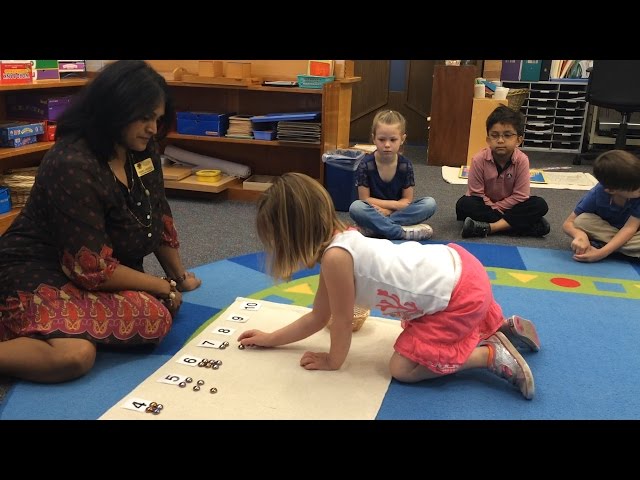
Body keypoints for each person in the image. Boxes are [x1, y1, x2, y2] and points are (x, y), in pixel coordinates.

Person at [238, 173, 541, 400]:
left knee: (402, 369)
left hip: (459, 295)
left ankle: (488, 354)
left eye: (277, 243)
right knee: (417, 335)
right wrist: (270, 339)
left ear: (294, 236)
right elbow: (318, 317)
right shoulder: (341, 242)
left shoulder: (335, 259)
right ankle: (501, 327)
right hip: (461, 269)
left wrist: (333, 361)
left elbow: (340, 322)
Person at [0, 60, 202, 384]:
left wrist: (178, 276)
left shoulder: (141, 148)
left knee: (155, 311)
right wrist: (162, 286)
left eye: (158, 119)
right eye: (145, 117)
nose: (153, 128)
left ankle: (45, 327)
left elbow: (158, 212)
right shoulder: (72, 163)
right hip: (36, 266)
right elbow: (91, 268)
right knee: (76, 355)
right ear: (115, 109)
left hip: (92, 270)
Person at [456, 105, 550, 238]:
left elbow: (521, 196)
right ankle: (522, 226)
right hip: (484, 205)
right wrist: (495, 208)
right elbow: (476, 193)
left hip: (511, 206)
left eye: (507, 135)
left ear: (519, 140)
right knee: (464, 204)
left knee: (539, 204)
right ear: (488, 139)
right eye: (495, 136)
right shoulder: (478, 160)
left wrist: (498, 207)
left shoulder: (522, 160)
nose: (500, 140)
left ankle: (489, 227)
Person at [348, 110, 436, 240]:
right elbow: (365, 200)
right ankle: (399, 232)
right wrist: (393, 206)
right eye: (382, 139)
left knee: (429, 204)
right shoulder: (366, 165)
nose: (387, 145)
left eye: (393, 139)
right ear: (374, 138)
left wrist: (387, 212)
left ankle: (375, 228)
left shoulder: (405, 165)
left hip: (391, 212)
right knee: (356, 207)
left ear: (402, 139)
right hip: (374, 210)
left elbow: (407, 200)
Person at [562, 149, 640, 262]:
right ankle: (622, 248)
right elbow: (568, 223)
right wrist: (580, 235)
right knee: (581, 220)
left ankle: (604, 245)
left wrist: (600, 254)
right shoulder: (598, 193)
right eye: (636, 189)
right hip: (609, 230)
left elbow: (629, 228)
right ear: (611, 190)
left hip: (633, 233)